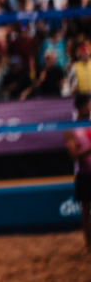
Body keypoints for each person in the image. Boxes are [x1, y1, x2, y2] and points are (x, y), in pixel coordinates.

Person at [65, 94, 91, 252]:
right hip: (85, 174)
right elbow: (73, 155)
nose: (90, 109)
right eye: (88, 105)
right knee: (86, 212)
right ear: (80, 107)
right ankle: (89, 245)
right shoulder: (71, 129)